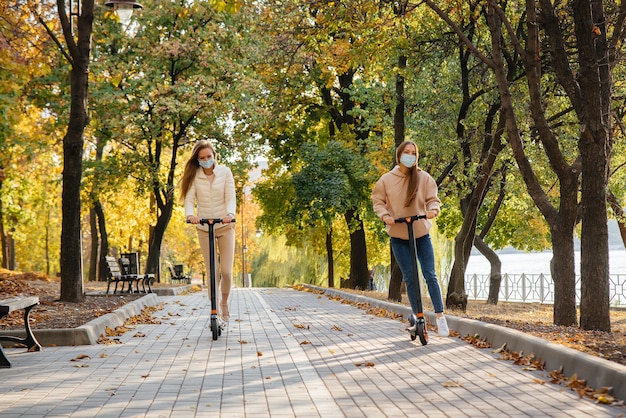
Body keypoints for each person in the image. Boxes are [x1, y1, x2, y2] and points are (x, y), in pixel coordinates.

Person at [371, 140, 449, 337]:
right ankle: (418, 315)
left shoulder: (423, 178)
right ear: (399, 155)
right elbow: (378, 201)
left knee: (430, 274)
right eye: (406, 152)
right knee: (410, 278)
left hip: (420, 233)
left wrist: (433, 210)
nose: (410, 156)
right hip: (398, 234)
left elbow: (433, 199)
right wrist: (385, 216)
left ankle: (440, 317)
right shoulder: (386, 180)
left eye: (413, 153)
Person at [180, 140, 236, 322]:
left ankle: (224, 304)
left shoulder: (225, 173)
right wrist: (190, 215)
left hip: (225, 226)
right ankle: (214, 308)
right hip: (204, 228)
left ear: (214, 156)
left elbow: (231, 197)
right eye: (202, 158)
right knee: (213, 270)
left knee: (226, 271)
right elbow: (189, 200)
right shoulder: (195, 176)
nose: (206, 160)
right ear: (197, 160)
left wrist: (230, 213)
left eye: (208, 157)